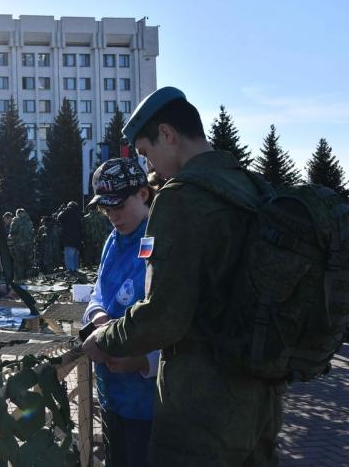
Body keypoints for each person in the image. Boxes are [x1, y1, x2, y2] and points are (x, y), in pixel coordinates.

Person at [81, 87, 285, 465]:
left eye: (146, 153)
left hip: (202, 399)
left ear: (168, 134)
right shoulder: (250, 185)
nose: (152, 168)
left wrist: (107, 339)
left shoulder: (182, 197)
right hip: (259, 392)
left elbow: (165, 315)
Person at [81, 158, 159, 467]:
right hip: (113, 393)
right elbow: (99, 291)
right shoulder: (113, 241)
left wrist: (143, 361)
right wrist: (99, 319)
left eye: (118, 206)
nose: (113, 216)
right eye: (106, 209)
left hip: (150, 402)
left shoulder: (163, 240)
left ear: (142, 194)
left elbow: (174, 318)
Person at [7, 208, 34, 281]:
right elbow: (32, 234)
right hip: (29, 246)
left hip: (18, 247)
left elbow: (12, 232)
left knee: (19, 264)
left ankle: (19, 281)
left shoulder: (15, 221)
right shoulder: (29, 221)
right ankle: (28, 280)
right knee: (28, 264)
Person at [57, 201, 82, 272]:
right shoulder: (78, 214)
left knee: (69, 261)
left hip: (69, 241)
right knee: (76, 262)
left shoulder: (68, 211)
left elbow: (59, 217)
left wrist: (64, 209)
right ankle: (77, 277)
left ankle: (72, 276)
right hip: (77, 242)